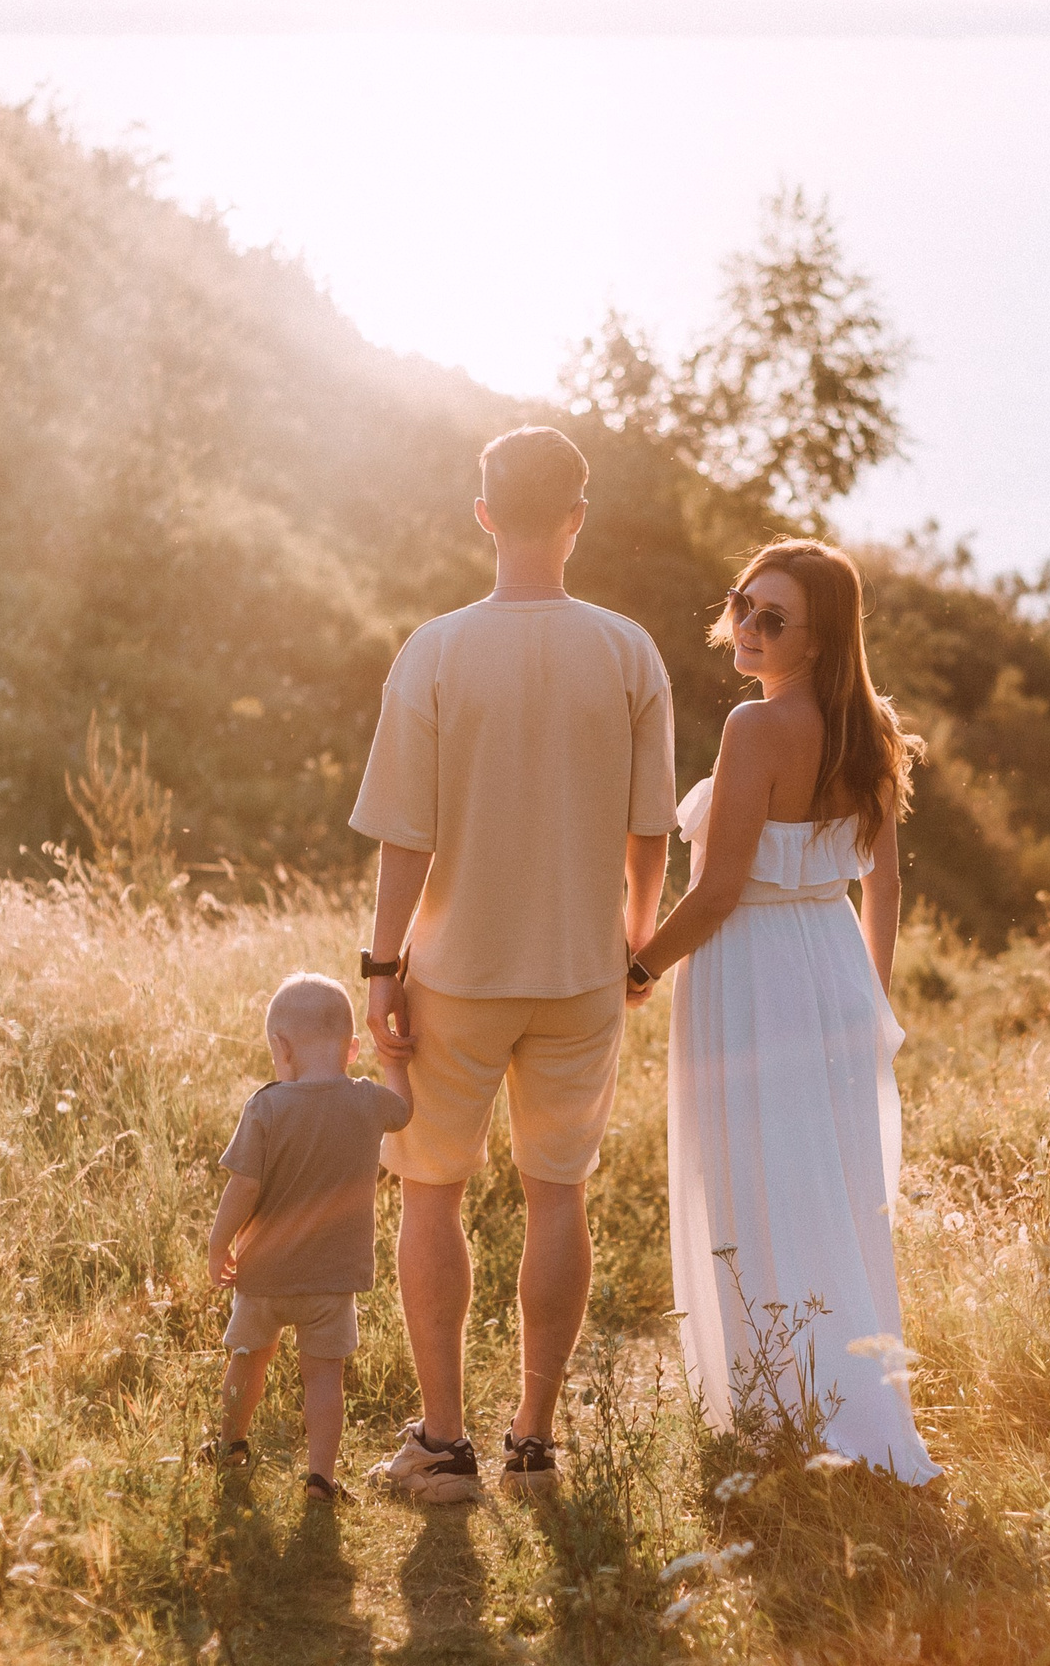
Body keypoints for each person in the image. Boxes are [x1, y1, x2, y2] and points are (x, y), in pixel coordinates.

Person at [349, 425, 677, 1502]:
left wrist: (381, 965)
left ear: (483, 513)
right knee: (556, 1195)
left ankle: (443, 1445)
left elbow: (408, 832)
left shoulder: (434, 650)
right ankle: (533, 1436)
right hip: (581, 970)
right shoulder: (629, 650)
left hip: (455, 972)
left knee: (431, 1195)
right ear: (576, 517)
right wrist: (634, 941)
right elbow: (650, 833)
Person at [627, 537, 940, 1485]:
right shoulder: (870, 723)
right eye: (743, 606)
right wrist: (869, 992)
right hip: (830, 960)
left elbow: (719, 889)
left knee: (757, 1178)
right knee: (830, 1189)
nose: (748, 629)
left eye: (774, 620)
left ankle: (783, 1408)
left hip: (752, 965)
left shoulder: (753, 730)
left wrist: (635, 969)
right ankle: (824, 1400)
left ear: (819, 637)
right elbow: (881, 883)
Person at [202, 972, 413, 1503]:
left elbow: (243, 1189)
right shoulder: (367, 1101)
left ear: (281, 1046)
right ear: (352, 1048)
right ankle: (321, 1478)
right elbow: (403, 1110)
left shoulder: (267, 1107)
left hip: (264, 1274)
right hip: (333, 1279)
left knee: (248, 1356)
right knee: (324, 1378)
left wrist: (217, 1244)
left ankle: (230, 1445)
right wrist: (395, 1062)